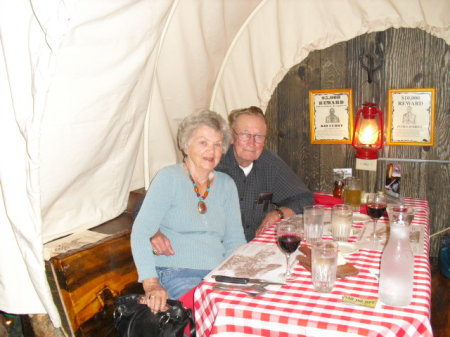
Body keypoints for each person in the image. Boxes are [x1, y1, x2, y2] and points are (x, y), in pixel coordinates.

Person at [131, 109, 246, 313]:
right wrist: (151, 284)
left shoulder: (227, 184)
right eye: (203, 142)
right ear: (186, 145)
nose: (211, 150)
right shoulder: (169, 178)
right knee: (208, 313)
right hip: (176, 273)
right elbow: (141, 232)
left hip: (216, 275)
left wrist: (234, 276)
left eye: (217, 144)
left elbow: (235, 240)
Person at [150, 106, 313, 246]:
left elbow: (304, 198)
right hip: (214, 249)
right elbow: (149, 206)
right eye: (245, 134)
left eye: (259, 136)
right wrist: (155, 232)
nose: (252, 142)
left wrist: (278, 213)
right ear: (231, 137)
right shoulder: (212, 162)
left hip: (255, 246)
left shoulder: (270, 164)